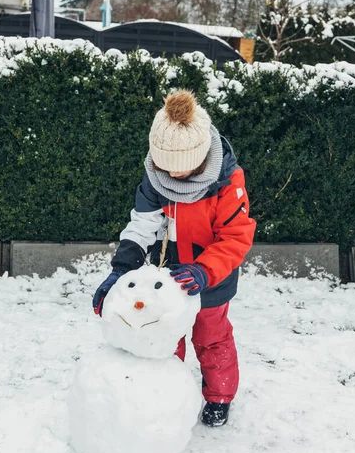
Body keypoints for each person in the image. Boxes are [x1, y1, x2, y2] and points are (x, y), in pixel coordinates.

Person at [93, 90, 256, 427]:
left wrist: (204, 270)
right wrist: (120, 270)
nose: (174, 177)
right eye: (166, 169)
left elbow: (235, 237)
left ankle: (219, 396)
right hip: (167, 277)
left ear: (200, 158)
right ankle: (166, 393)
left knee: (212, 339)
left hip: (211, 278)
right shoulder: (156, 176)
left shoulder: (227, 183)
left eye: (182, 170)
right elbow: (143, 223)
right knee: (165, 336)